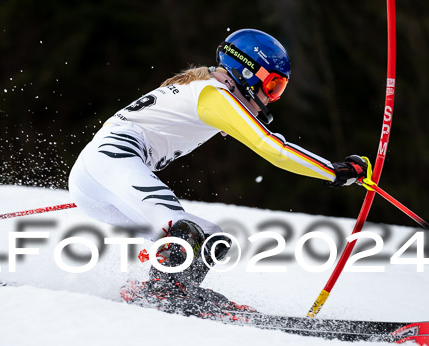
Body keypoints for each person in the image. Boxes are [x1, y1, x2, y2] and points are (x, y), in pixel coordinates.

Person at [68, 28, 368, 311]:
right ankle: (163, 293)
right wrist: (335, 171)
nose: (272, 98)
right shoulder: (213, 94)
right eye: (273, 86)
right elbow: (273, 149)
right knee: (184, 233)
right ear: (248, 72)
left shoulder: (205, 90)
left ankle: (175, 289)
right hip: (112, 160)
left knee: (212, 238)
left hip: (100, 177)